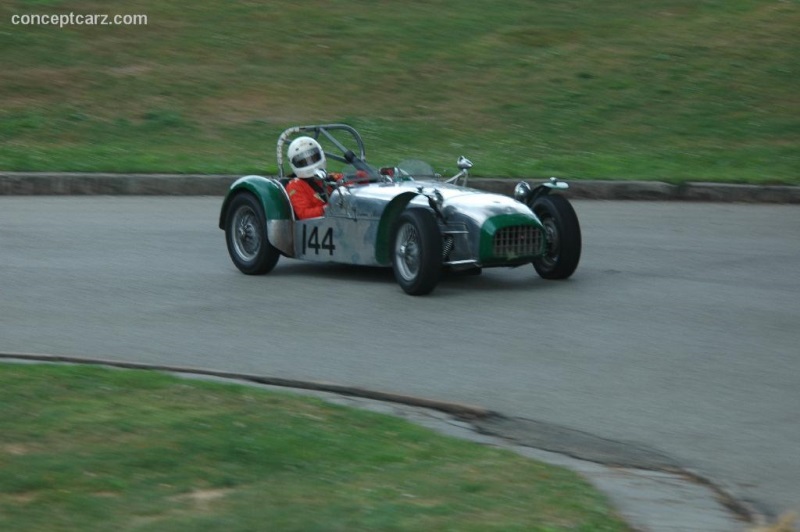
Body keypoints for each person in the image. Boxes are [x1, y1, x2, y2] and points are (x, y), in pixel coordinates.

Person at [284, 136, 370, 219]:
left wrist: (362, 176)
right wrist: (329, 208)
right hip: (320, 226)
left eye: (313, 158)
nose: (310, 163)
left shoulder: (330, 177)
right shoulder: (295, 186)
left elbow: (354, 180)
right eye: (303, 161)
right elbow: (304, 214)